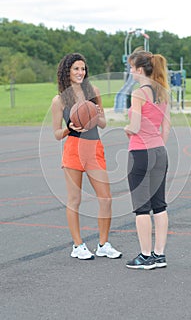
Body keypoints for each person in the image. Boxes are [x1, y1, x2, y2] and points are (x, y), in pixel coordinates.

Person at [51, 52, 122, 260]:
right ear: (67, 72)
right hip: (73, 148)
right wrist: (68, 128)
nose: (80, 72)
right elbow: (56, 134)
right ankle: (78, 246)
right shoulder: (59, 100)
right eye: (76, 69)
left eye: (83, 69)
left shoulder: (94, 91)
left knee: (106, 198)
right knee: (74, 199)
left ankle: (103, 244)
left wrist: (98, 115)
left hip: (94, 147)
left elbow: (103, 124)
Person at [124, 51, 171, 270]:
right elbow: (166, 127)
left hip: (141, 153)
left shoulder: (139, 93)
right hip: (160, 151)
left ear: (139, 69)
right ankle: (159, 255)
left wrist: (126, 128)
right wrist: (157, 143)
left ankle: (145, 256)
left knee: (142, 208)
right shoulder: (163, 91)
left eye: (131, 67)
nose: (130, 71)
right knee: (159, 205)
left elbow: (133, 128)